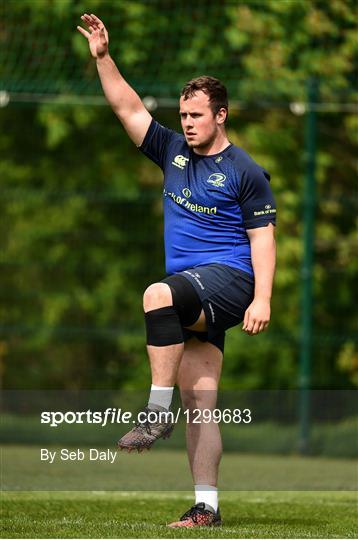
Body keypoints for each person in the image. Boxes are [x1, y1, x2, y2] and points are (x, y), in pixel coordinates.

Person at [78, 13, 276, 529]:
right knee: (202, 400)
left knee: (156, 295)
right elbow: (127, 106)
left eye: (196, 115)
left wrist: (264, 298)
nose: (186, 122)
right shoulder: (171, 151)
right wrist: (103, 59)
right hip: (196, 292)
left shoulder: (246, 171)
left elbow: (263, 238)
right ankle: (206, 507)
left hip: (230, 281)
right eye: (183, 114)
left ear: (221, 115)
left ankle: (154, 412)